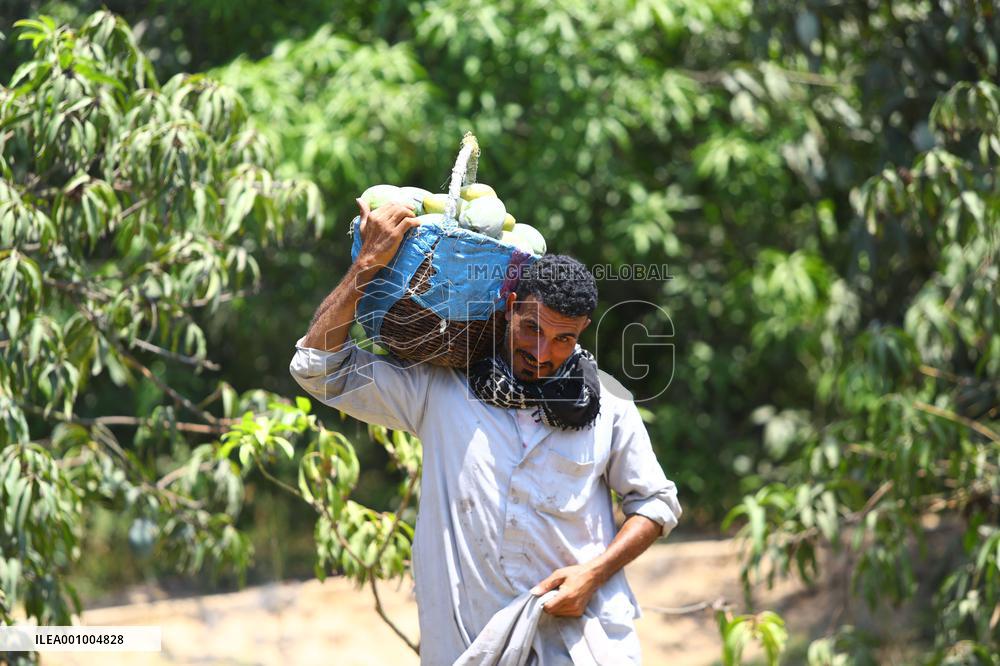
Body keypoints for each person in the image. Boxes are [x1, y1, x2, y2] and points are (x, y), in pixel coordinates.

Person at [289, 199, 681, 664]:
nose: (541, 351)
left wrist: (592, 575)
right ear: (510, 307)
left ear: (581, 333)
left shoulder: (609, 405)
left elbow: (656, 503)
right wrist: (367, 265)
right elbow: (318, 369)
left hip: (584, 646)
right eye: (531, 328)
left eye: (563, 339)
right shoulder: (440, 391)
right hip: (468, 648)